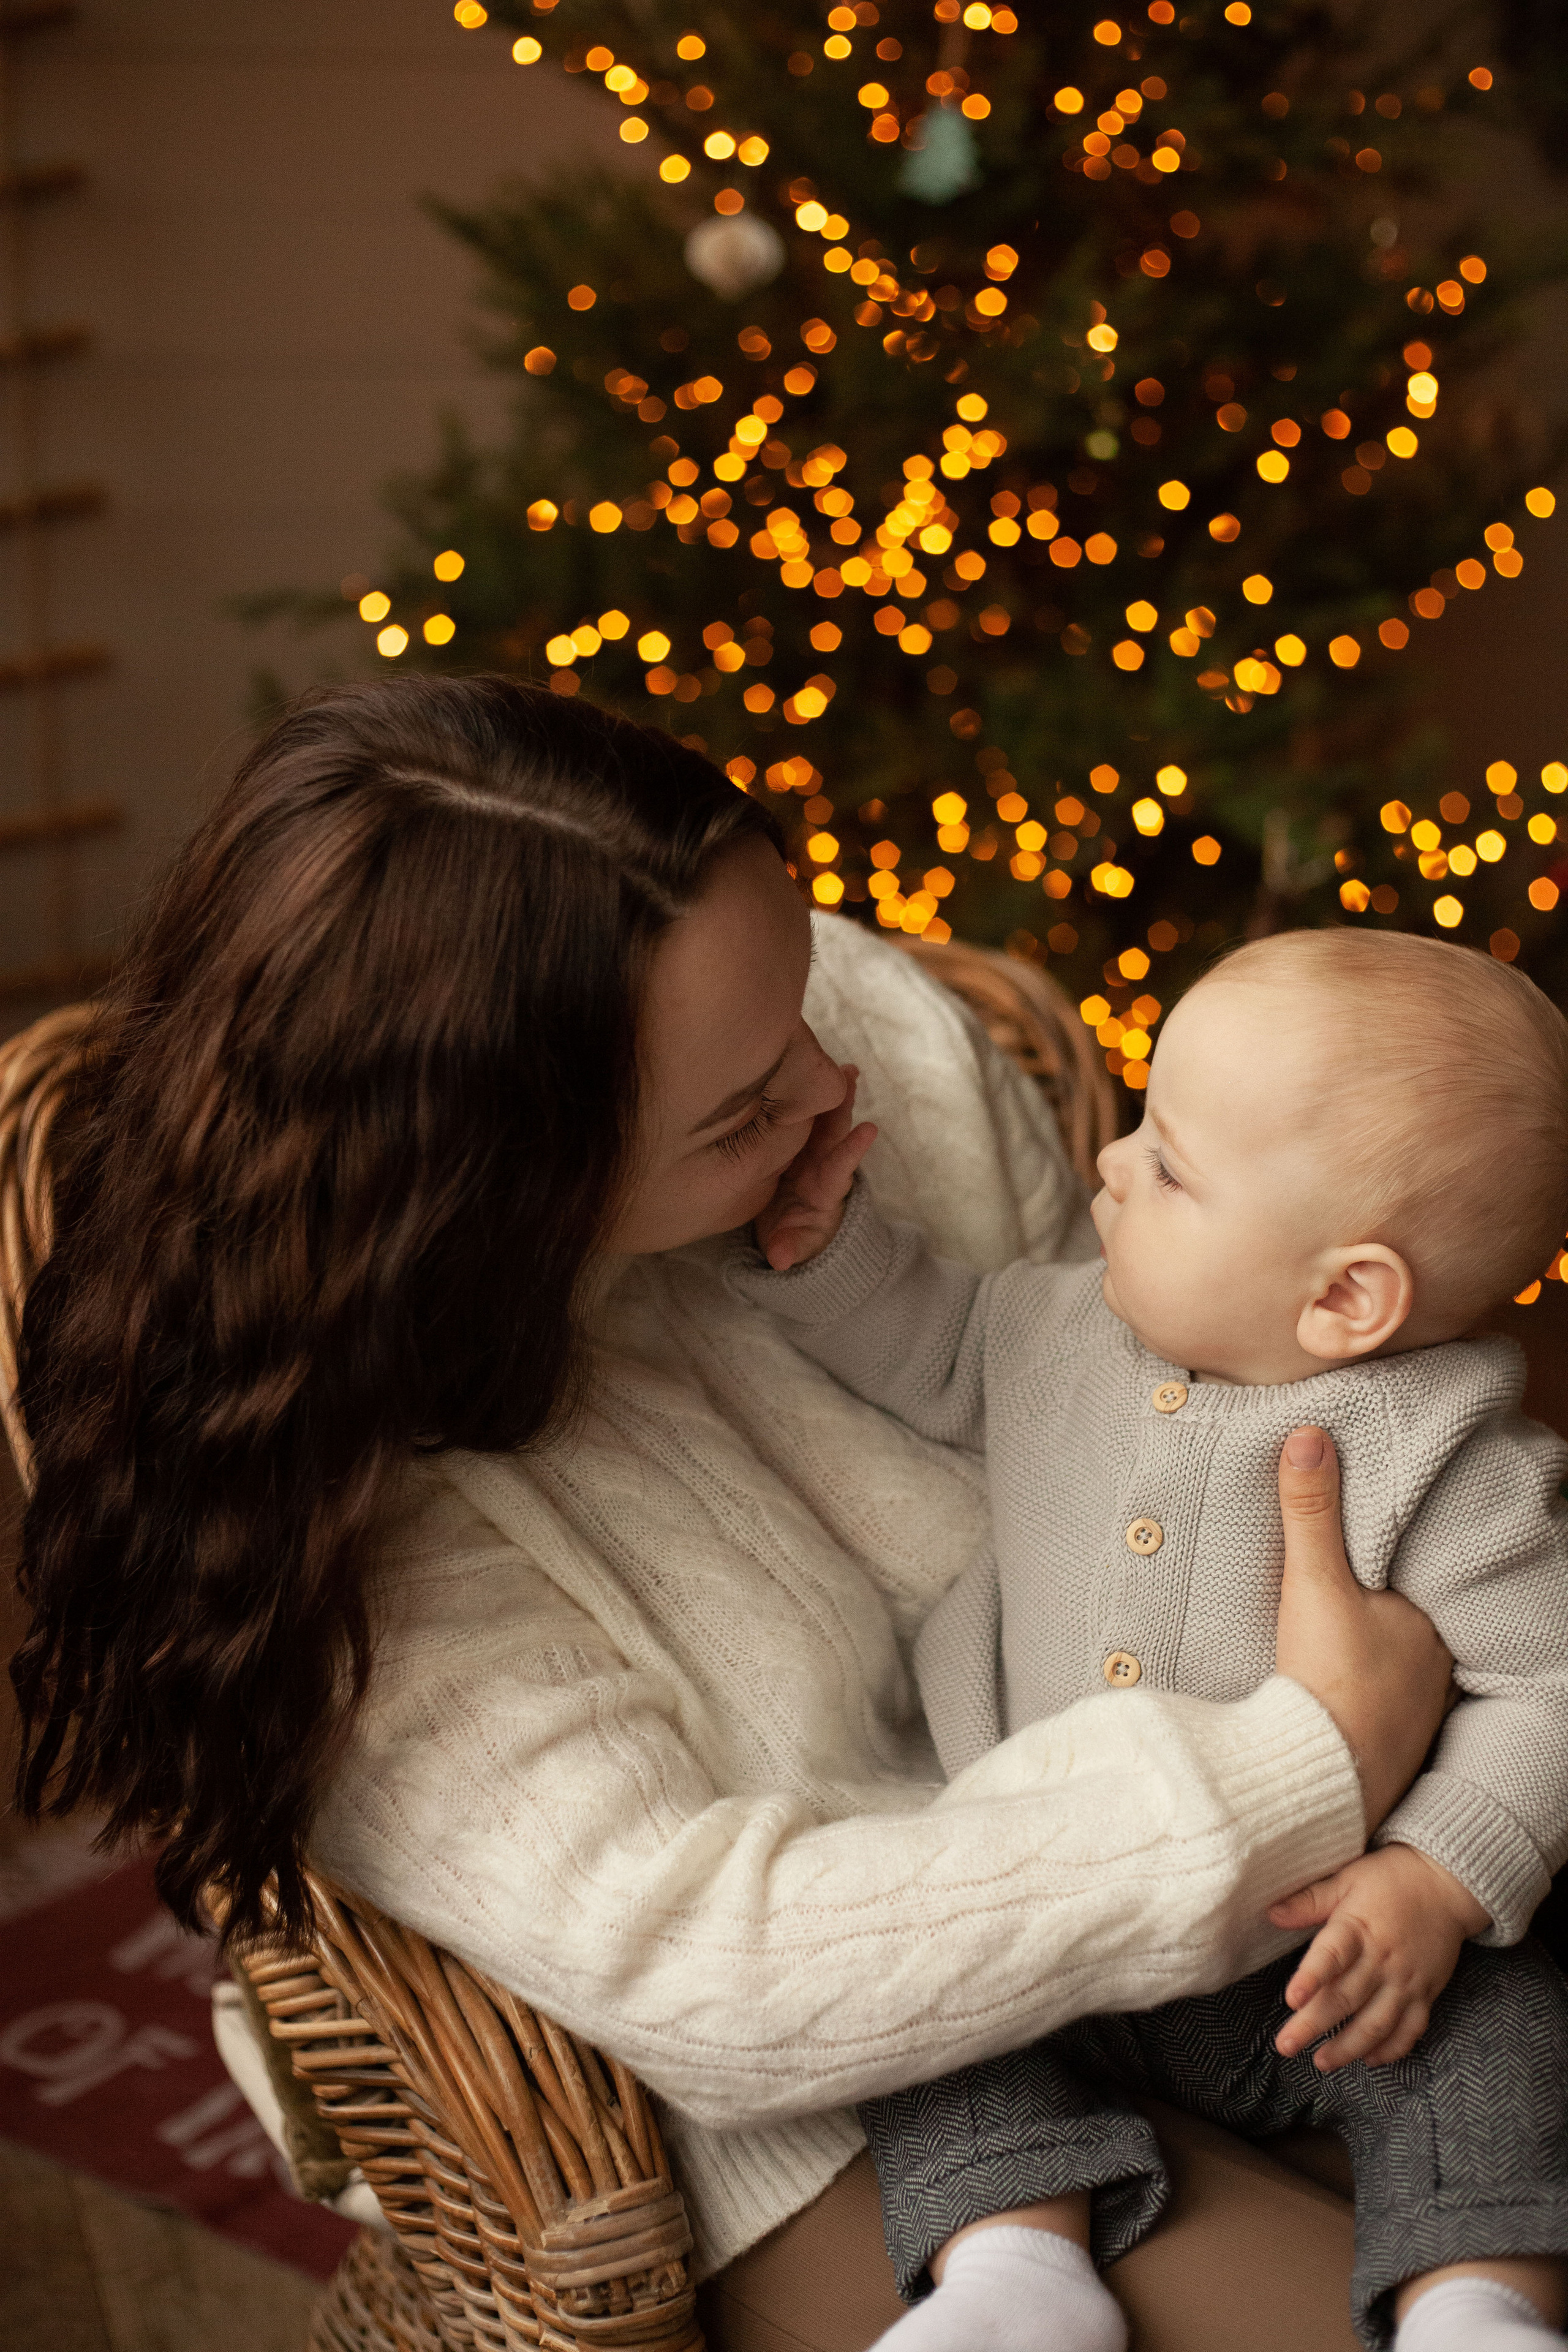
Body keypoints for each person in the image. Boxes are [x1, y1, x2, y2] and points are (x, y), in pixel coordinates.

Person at [9, 677, 1450, 2348]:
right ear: (487, 1194)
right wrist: (1304, 1765)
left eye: (808, 993)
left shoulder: (827, 1032)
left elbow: (1145, 1415)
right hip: (824, 2084)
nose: (840, 1082)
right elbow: (722, 1968)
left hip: (1192, 1856)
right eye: (742, 1114)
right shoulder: (327, 1505)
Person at [733, 925, 1568, 2352]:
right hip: (1046, 1912)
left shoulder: (1442, 1453)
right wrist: (831, 1247)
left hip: (1309, 1969)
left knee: (1503, 2032)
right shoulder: (1057, 1332)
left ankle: (1476, 2305)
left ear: (1342, 1297)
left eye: (1167, 1165)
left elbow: (1546, 1681)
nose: (1109, 1168)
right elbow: (923, 1341)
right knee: (912, 2008)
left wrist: (1432, 1883)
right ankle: (1013, 2269)